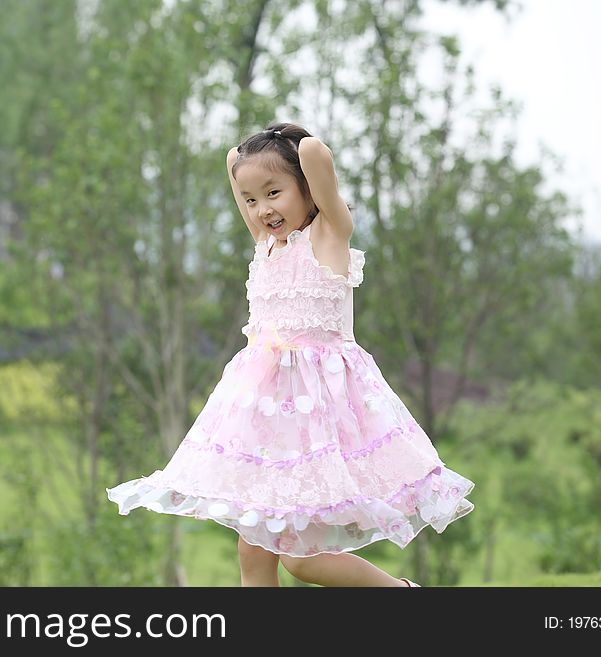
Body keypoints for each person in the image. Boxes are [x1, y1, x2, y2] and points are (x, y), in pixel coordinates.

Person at [106, 122, 475, 587]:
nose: (262, 209)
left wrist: (285, 140)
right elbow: (234, 169)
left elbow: (315, 154)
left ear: (306, 188)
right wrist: (245, 167)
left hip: (317, 418)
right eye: (252, 199)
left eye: (274, 192)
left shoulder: (330, 235)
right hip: (265, 423)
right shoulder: (267, 246)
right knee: (252, 550)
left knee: (302, 558)